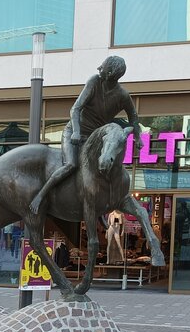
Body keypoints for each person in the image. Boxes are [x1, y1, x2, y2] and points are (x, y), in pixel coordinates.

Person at [29, 55, 138, 216]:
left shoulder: (122, 96)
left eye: (104, 69)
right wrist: (76, 131)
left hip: (96, 138)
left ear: (111, 74)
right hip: (74, 133)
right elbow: (75, 108)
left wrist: (138, 136)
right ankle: (41, 195)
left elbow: (134, 117)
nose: (99, 70)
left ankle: (98, 208)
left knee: (102, 170)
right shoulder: (94, 82)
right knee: (71, 165)